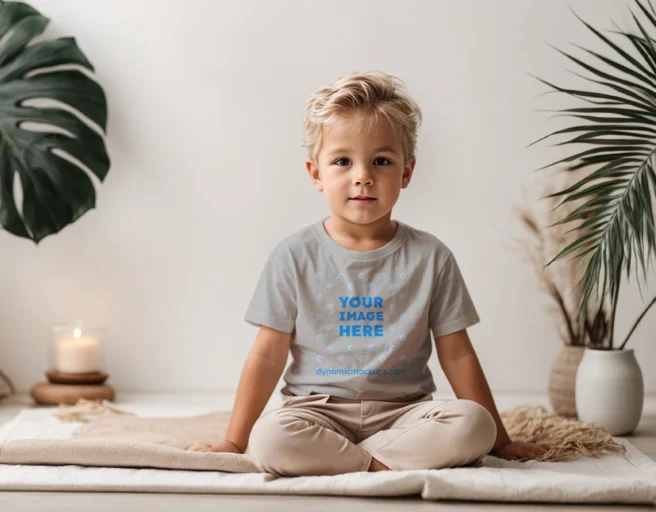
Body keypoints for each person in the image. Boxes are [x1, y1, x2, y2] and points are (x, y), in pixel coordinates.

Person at [187, 70, 548, 476]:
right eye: (343, 161)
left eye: (381, 161)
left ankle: (348, 462)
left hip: (405, 415)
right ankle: (384, 463)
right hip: (317, 414)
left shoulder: (431, 257)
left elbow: (458, 353)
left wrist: (500, 440)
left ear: (407, 172)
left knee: (472, 425)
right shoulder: (293, 255)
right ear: (316, 173)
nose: (363, 175)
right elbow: (268, 354)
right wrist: (235, 441)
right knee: (270, 439)